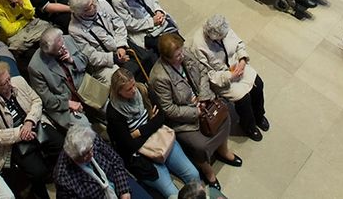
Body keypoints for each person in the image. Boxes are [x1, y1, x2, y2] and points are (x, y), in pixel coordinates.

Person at [147, 33, 239, 191]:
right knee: (200, 145)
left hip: (203, 101)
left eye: (181, 52)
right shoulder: (159, 77)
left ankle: (223, 151)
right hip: (184, 118)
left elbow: (203, 71)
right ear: (166, 57)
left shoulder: (186, 53)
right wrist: (195, 111)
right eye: (177, 55)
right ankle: (208, 171)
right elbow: (169, 109)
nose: (182, 56)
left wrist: (203, 97)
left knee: (223, 118)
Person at [105, 68, 203, 198]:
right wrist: (152, 123)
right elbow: (129, 145)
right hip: (143, 157)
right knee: (172, 194)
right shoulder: (114, 112)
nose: (133, 90)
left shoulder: (143, 90)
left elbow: (161, 117)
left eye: (133, 84)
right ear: (118, 92)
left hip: (162, 141)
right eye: (128, 89)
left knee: (193, 174)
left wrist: (140, 131)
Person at [0, 61, 63, 199]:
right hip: (15, 141)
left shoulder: (19, 81)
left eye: (8, 79)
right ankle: (41, 194)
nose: (9, 84)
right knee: (37, 173)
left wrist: (29, 121)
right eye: (4, 83)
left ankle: (61, 178)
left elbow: (37, 101)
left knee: (60, 145)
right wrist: (20, 133)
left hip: (35, 124)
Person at [191, 15, 269, 141]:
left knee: (258, 84)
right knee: (243, 99)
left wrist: (242, 60)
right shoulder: (198, 44)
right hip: (222, 77)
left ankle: (259, 115)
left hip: (236, 64)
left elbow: (239, 44)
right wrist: (229, 76)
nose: (224, 38)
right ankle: (248, 126)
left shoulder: (223, 28)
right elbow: (206, 73)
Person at [26, 27, 100, 129]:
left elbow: (85, 60)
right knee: (83, 127)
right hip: (63, 103)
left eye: (63, 44)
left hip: (84, 86)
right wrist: (67, 103)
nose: (64, 48)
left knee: (108, 106)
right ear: (49, 52)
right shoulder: (35, 67)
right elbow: (48, 100)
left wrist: (72, 60)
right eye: (59, 49)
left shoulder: (67, 39)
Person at [54, 123, 152, 199]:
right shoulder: (63, 178)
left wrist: (124, 191)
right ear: (73, 156)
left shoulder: (90, 138)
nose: (91, 154)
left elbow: (116, 160)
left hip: (116, 180)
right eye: (85, 154)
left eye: (91, 149)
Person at [111, 0, 178, 53]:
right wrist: (152, 22)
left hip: (157, 18)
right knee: (168, 48)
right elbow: (129, 24)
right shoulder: (118, 1)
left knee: (176, 38)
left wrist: (158, 11)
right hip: (144, 29)